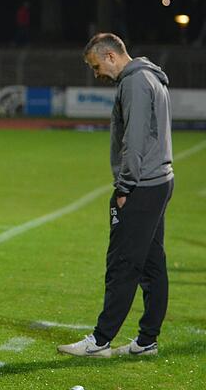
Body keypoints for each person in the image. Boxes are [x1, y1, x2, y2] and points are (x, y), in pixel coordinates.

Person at [58, 33, 174, 358]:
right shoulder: (152, 76)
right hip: (160, 180)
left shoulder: (135, 82)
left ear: (110, 56)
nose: (97, 74)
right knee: (152, 263)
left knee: (122, 262)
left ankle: (100, 340)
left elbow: (134, 138)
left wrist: (125, 186)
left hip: (142, 185)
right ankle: (147, 340)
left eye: (96, 66)